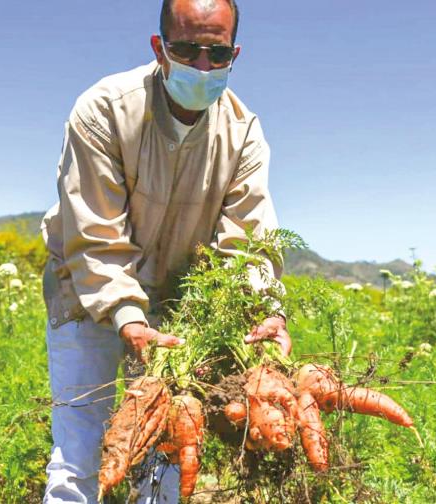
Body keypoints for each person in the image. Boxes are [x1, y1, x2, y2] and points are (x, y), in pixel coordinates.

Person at [39, 1, 291, 502]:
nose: (201, 66)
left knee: (169, 459)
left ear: (234, 53)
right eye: (186, 50)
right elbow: (94, 233)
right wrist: (128, 315)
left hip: (175, 310)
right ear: (159, 48)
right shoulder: (105, 108)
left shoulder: (242, 133)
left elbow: (248, 242)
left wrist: (264, 309)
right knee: (83, 450)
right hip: (86, 288)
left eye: (216, 54)